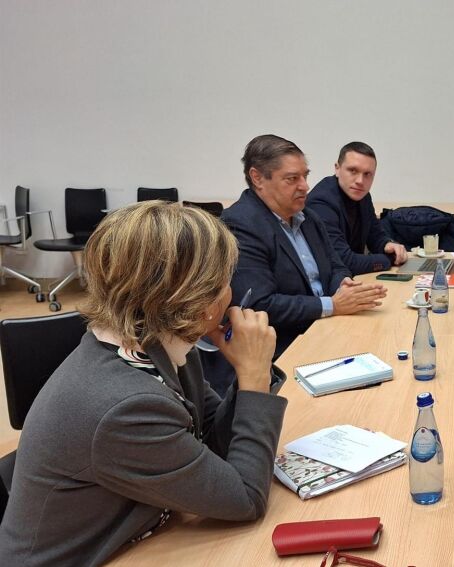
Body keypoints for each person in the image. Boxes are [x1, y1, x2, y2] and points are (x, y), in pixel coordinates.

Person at [0, 202, 287, 566]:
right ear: (198, 299)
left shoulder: (158, 344)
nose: (231, 291)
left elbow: (211, 441)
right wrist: (254, 376)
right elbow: (244, 498)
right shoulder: (127, 407)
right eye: (224, 280)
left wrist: (250, 373)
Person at [221, 135, 387, 358]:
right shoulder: (240, 224)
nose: (305, 186)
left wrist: (343, 284)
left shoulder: (307, 216)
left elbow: (337, 265)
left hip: (325, 328)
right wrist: (332, 305)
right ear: (257, 178)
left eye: (305, 176)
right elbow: (259, 305)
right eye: (292, 179)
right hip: (281, 348)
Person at [306, 141, 408, 274]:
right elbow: (344, 261)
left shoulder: (363, 196)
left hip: (353, 278)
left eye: (367, 174)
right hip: (329, 281)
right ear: (337, 168)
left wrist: (388, 245)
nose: (360, 181)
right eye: (353, 171)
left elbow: (375, 235)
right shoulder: (321, 203)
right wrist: (388, 259)